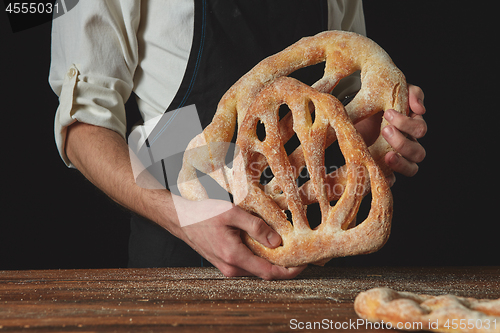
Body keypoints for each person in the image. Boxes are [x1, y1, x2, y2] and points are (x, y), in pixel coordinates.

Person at [49, 0, 426, 280]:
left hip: (313, 262)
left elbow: (345, 110)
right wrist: (181, 218)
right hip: (177, 265)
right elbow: (84, 128)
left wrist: (386, 130)